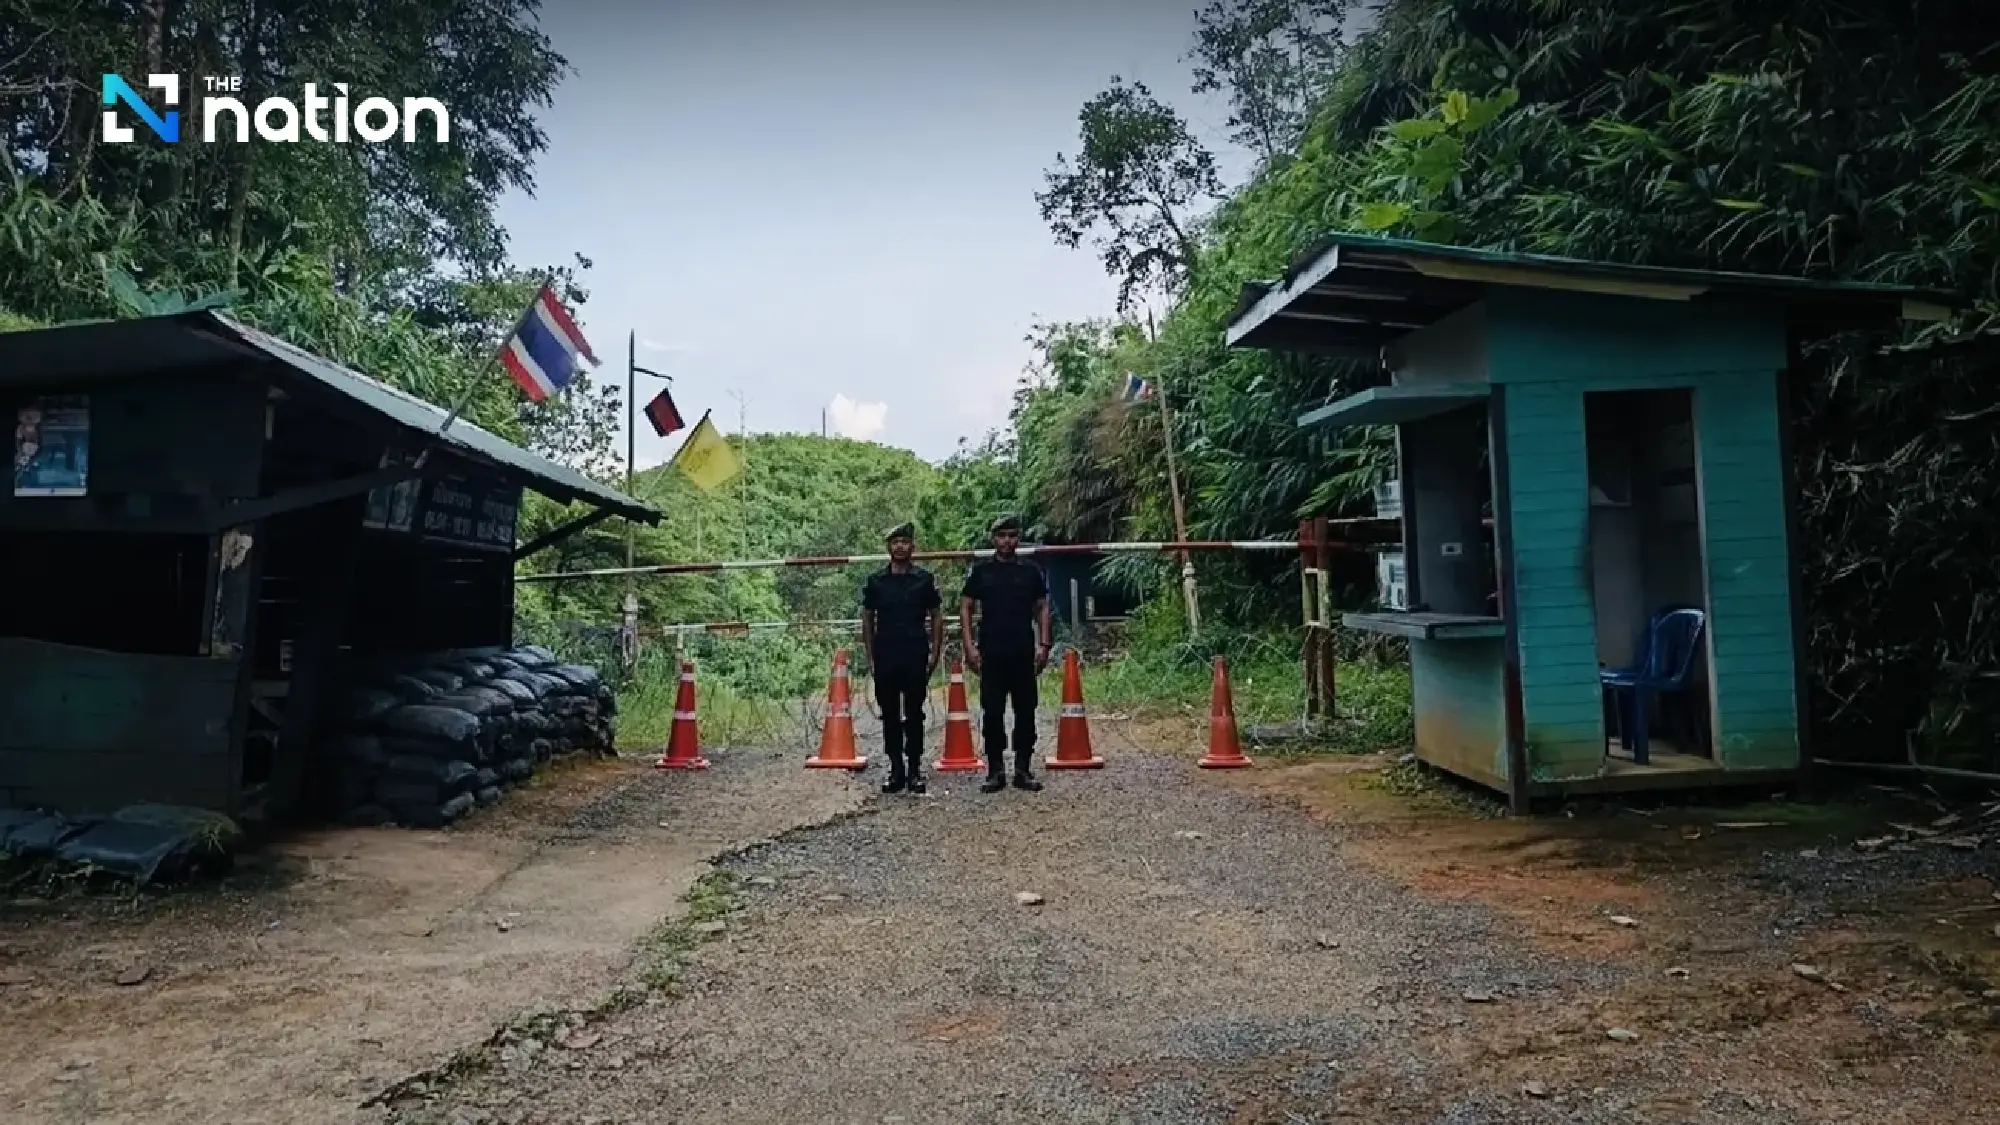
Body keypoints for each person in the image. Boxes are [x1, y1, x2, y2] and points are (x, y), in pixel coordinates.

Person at [959, 514, 1053, 793]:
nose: (1007, 541)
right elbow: (966, 606)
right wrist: (969, 645)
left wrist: (1044, 645)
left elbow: (1042, 608)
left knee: (1026, 711)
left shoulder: (1030, 571)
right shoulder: (981, 572)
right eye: (1001, 536)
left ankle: (1023, 769)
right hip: (991, 653)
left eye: (1012, 536)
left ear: (1018, 538)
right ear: (993, 539)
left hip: (1023, 651)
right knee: (992, 713)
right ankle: (996, 771)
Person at [860, 522, 943, 794]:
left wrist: (935, 649)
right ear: (888, 547)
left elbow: (936, 615)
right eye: (895, 542)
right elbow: (868, 618)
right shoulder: (876, 582)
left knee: (915, 713)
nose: (900, 546)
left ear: (913, 546)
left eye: (905, 541)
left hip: (915, 653)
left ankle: (915, 769)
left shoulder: (924, 579)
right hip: (886, 654)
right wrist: (870, 655)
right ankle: (896, 769)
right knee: (890, 715)